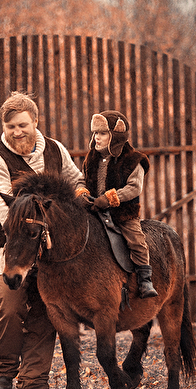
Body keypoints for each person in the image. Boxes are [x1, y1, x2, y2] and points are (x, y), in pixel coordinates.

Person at [0, 91, 85, 389]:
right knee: (10, 309)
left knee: (45, 314)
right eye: (10, 126)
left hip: (51, 255)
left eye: (23, 125)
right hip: (13, 251)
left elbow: (76, 180)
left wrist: (82, 195)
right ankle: (4, 371)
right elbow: (6, 214)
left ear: (36, 121)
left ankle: (33, 382)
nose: (17, 132)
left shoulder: (55, 150)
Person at [82, 111, 158, 302]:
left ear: (116, 136)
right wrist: (82, 193)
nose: (97, 137)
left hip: (123, 213)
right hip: (94, 211)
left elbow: (134, 188)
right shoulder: (91, 158)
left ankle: (144, 279)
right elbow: (82, 179)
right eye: (95, 133)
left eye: (102, 133)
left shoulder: (133, 160)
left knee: (136, 241)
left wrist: (109, 199)